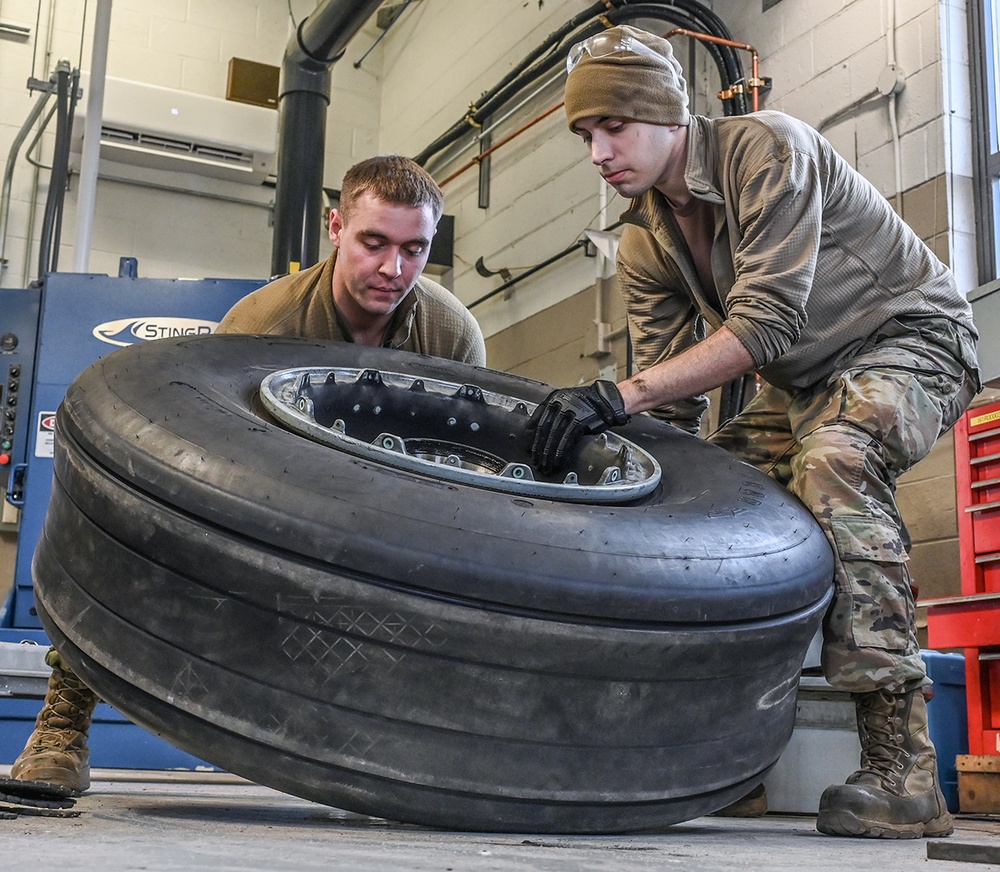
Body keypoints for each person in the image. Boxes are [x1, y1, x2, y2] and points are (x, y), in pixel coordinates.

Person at [528, 25, 981, 839]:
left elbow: (765, 326)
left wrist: (613, 395)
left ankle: (905, 770)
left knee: (836, 465)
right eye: (585, 134)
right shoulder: (644, 238)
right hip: (806, 382)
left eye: (615, 126)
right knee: (703, 503)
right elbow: (666, 411)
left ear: (668, 115)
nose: (598, 152)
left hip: (911, 340)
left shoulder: (766, 148)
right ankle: (726, 759)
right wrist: (614, 469)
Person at [10, 154, 485, 795]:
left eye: (414, 249)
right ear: (337, 226)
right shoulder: (262, 329)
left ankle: (405, 752)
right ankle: (63, 724)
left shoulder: (451, 336)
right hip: (267, 506)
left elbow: (462, 476)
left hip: (388, 519)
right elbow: (215, 470)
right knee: (129, 528)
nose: (393, 269)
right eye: (374, 243)